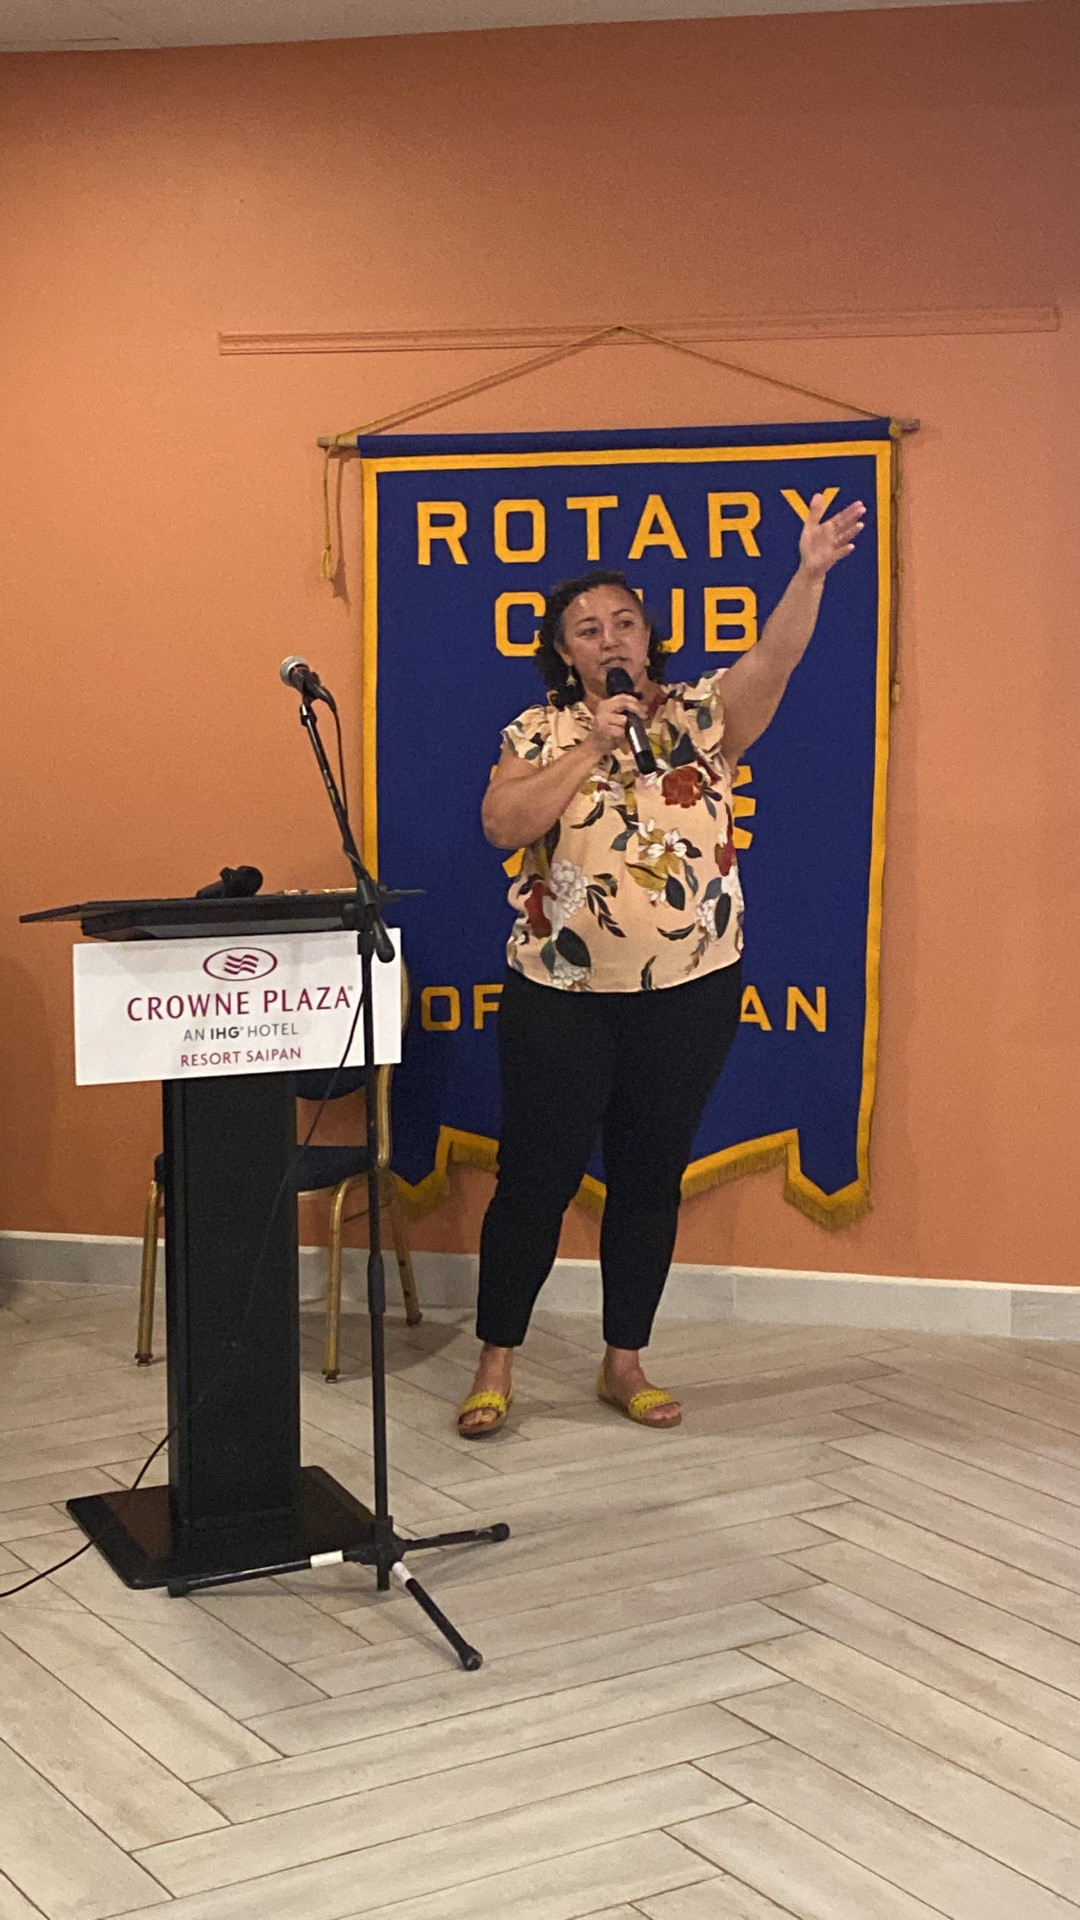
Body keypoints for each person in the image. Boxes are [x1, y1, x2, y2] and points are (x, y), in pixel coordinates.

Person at [456, 491, 866, 1437]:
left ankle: (624, 1361)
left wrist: (806, 575)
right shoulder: (538, 733)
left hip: (688, 995)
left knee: (649, 1177)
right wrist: (590, 748)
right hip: (560, 995)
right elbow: (500, 825)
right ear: (566, 653)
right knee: (536, 1181)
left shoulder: (701, 718)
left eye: (624, 623)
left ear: (649, 637)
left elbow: (778, 659)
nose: (610, 639)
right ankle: (495, 1361)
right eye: (588, 629)